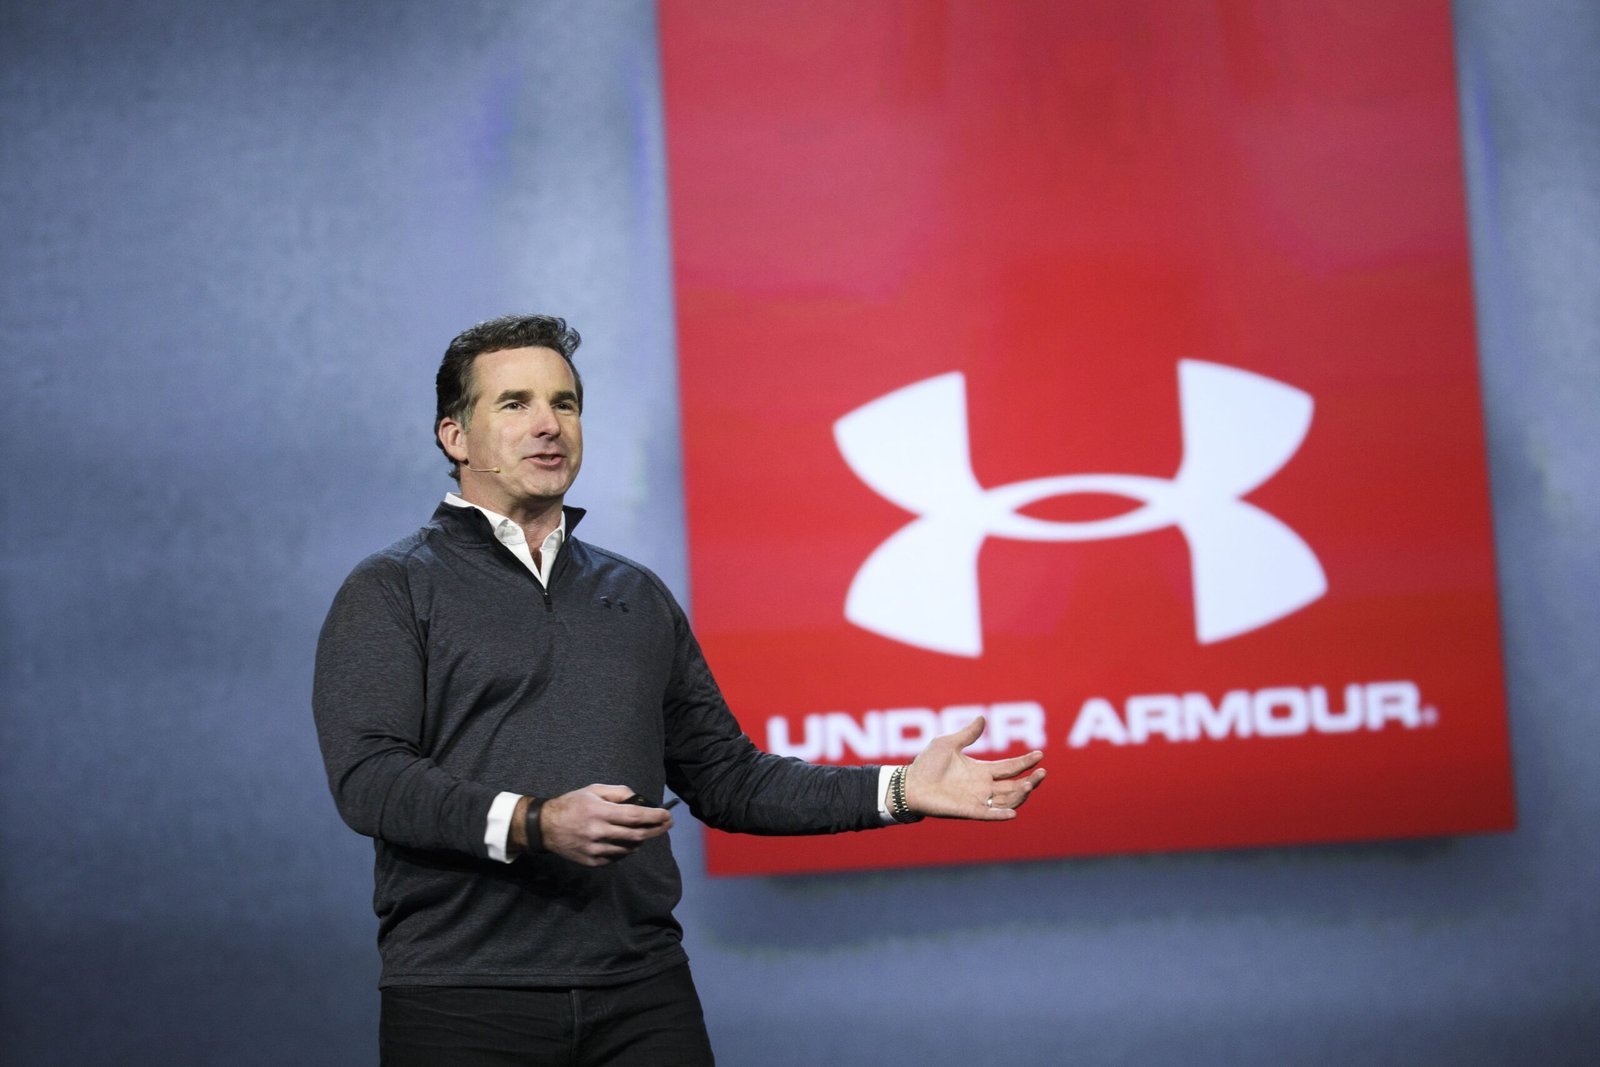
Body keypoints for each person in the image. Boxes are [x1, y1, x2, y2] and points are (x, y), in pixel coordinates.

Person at [313, 314, 1046, 1066]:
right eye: (515, 403)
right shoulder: (394, 588)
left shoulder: (635, 594)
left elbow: (729, 779)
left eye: (565, 403)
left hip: (642, 994)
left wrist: (898, 789)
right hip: (463, 1000)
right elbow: (370, 780)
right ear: (455, 437)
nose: (548, 425)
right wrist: (536, 822)